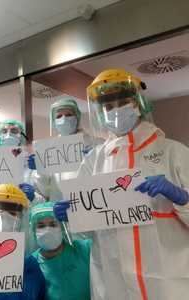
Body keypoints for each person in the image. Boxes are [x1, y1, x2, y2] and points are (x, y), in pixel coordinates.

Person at [54, 69, 189, 300]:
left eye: (123, 102)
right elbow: (87, 230)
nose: (115, 110)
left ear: (138, 104)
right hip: (113, 279)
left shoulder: (173, 152)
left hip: (169, 281)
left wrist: (182, 198)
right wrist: (72, 215)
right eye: (108, 106)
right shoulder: (93, 160)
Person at [29, 201, 91, 300]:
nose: (47, 230)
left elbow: (105, 242)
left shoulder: (83, 250)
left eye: (53, 224)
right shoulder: (31, 264)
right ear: (33, 230)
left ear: (62, 228)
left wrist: (80, 218)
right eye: (41, 226)